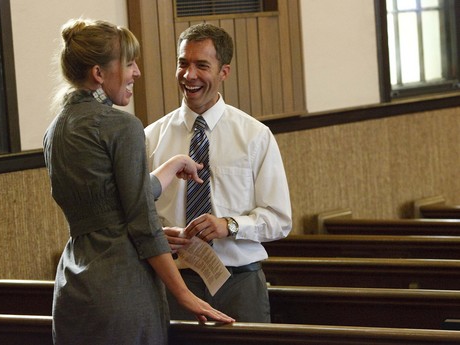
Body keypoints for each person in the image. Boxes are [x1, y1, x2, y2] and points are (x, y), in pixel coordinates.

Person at [43, 19, 234, 345]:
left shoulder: (56, 130)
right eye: (129, 63)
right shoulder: (122, 126)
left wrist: (171, 166)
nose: (136, 72)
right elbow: (142, 221)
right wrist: (183, 294)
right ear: (99, 74)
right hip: (122, 289)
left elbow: (110, 200)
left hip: (73, 285)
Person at [144, 23, 292, 322]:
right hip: (174, 281)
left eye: (201, 65)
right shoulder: (151, 138)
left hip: (240, 283)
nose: (189, 75)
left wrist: (230, 225)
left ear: (224, 72)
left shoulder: (255, 136)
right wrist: (158, 235)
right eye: (183, 64)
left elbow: (280, 220)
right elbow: (137, 215)